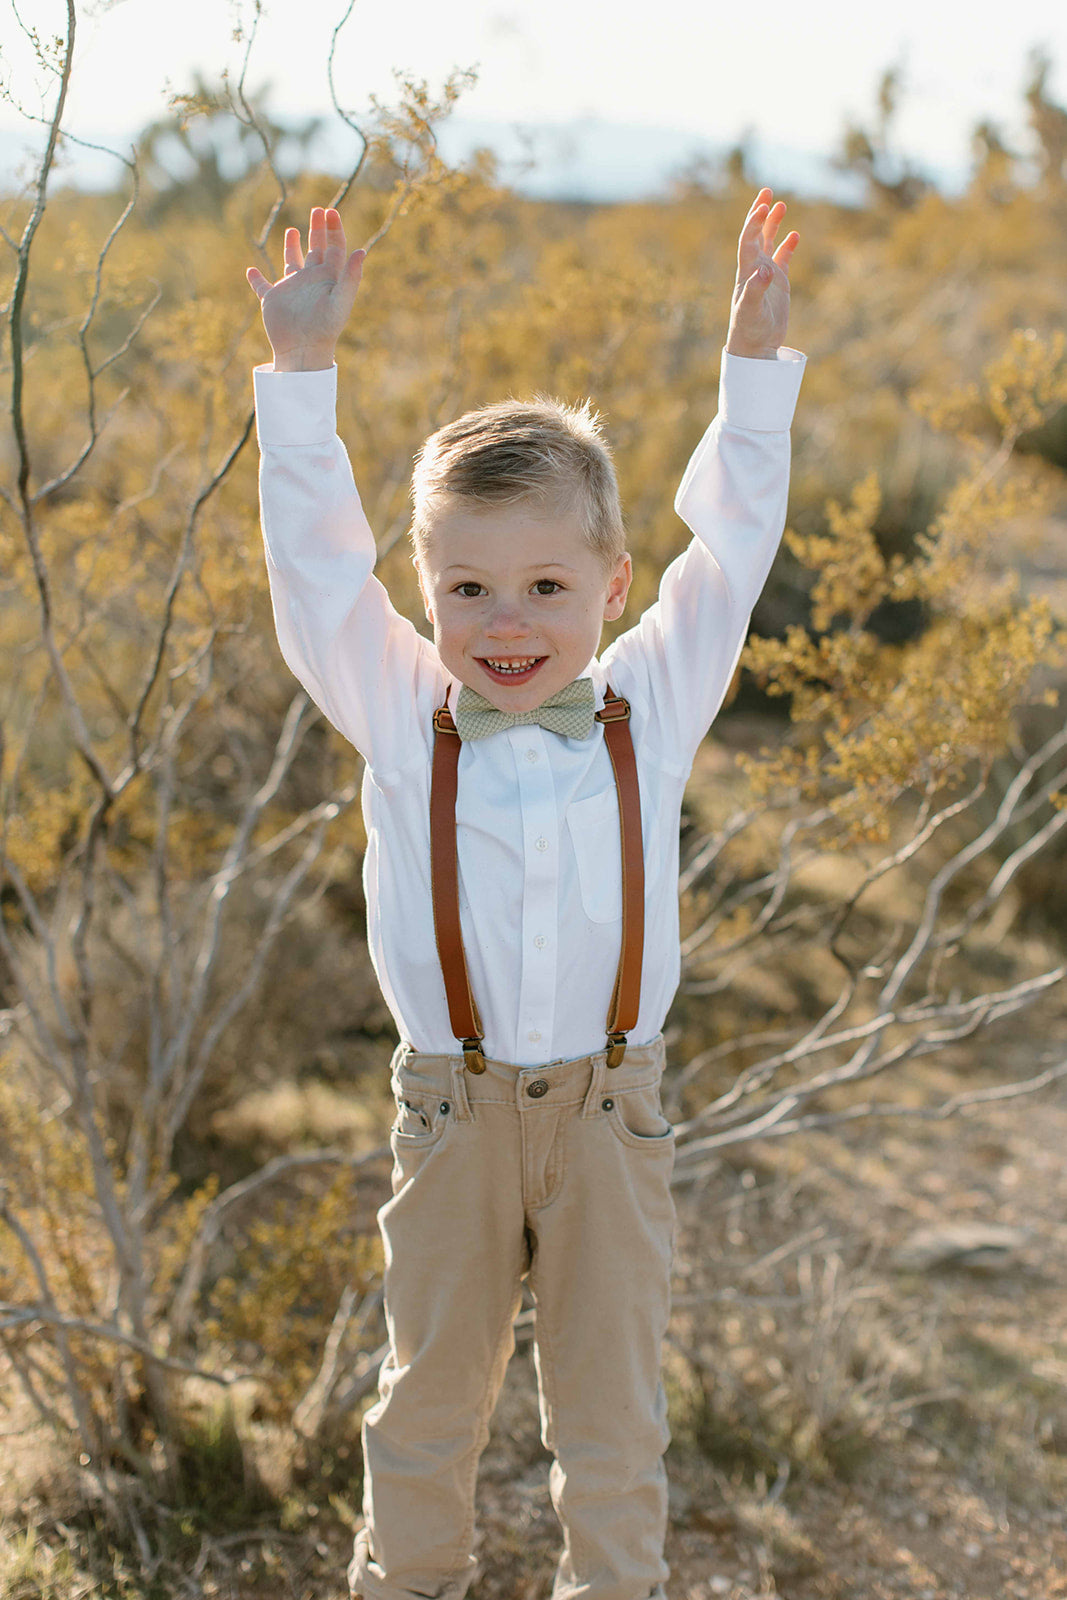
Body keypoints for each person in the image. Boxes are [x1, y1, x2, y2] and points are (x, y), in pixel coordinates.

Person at [247, 187, 804, 1600]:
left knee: (614, 1424)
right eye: (469, 589)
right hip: (455, 1107)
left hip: (617, 1109)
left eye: (548, 585)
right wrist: (301, 374)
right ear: (422, 588)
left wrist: (752, 377)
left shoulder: (651, 704)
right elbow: (317, 580)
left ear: (614, 586)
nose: (508, 625)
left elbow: (730, 557)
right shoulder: (398, 707)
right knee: (425, 1408)